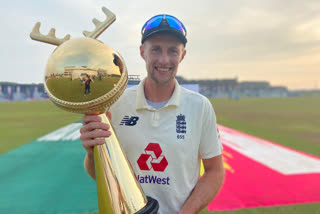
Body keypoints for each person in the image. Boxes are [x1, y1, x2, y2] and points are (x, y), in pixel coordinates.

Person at [80, 14, 225, 214]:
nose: (164, 60)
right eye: (156, 49)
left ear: (182, 55)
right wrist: (91, 152)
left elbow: (215, 171)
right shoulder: (115, 105)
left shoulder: (200, 107)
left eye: (173, 51)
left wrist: (186, 212)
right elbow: (101, 172)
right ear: (142, 52)